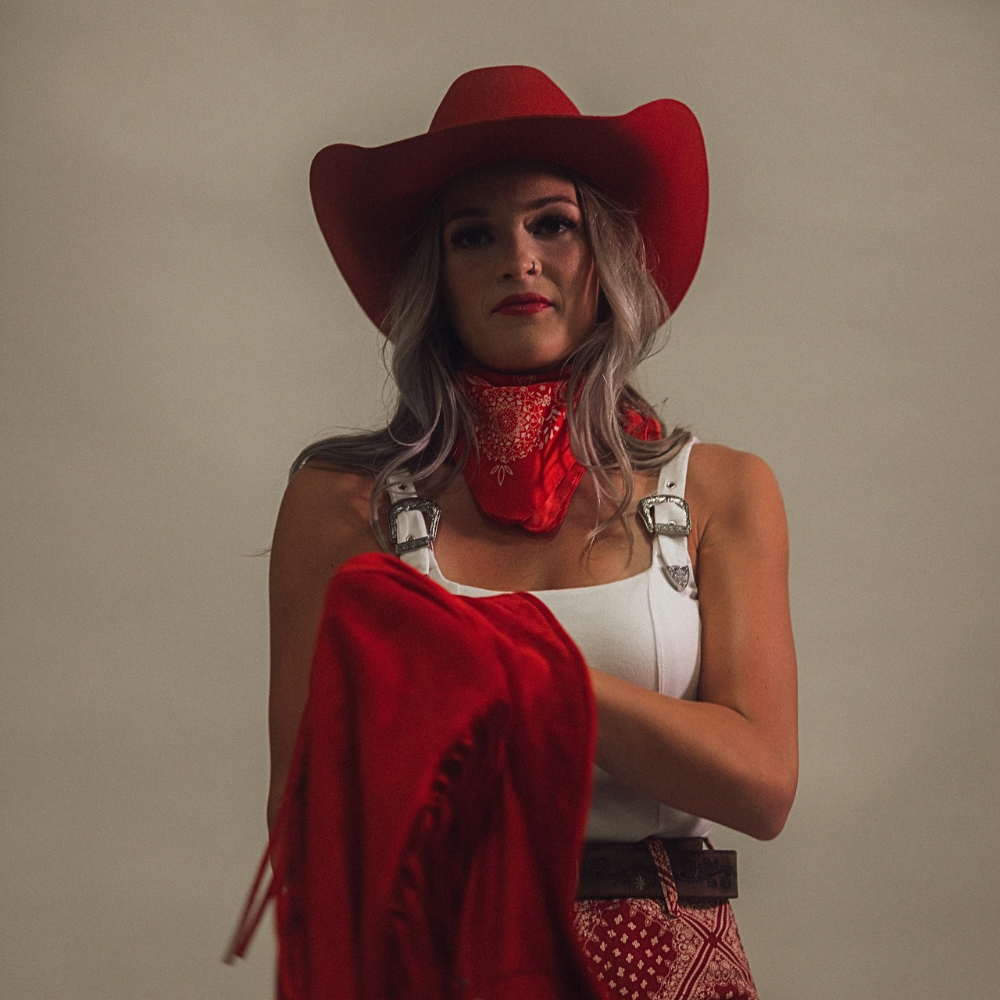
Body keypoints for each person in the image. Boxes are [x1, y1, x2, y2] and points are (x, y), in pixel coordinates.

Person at [264, 65, 797, 1000]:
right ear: (436, 277)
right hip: (443, 965)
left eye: (553, 223)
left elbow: (761, 786)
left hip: (666, 965)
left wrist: (525, 672)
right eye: (473, 234)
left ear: (606, 256)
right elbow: (309, 828)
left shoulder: (719, 489)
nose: (519, 258)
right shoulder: (343, 503)